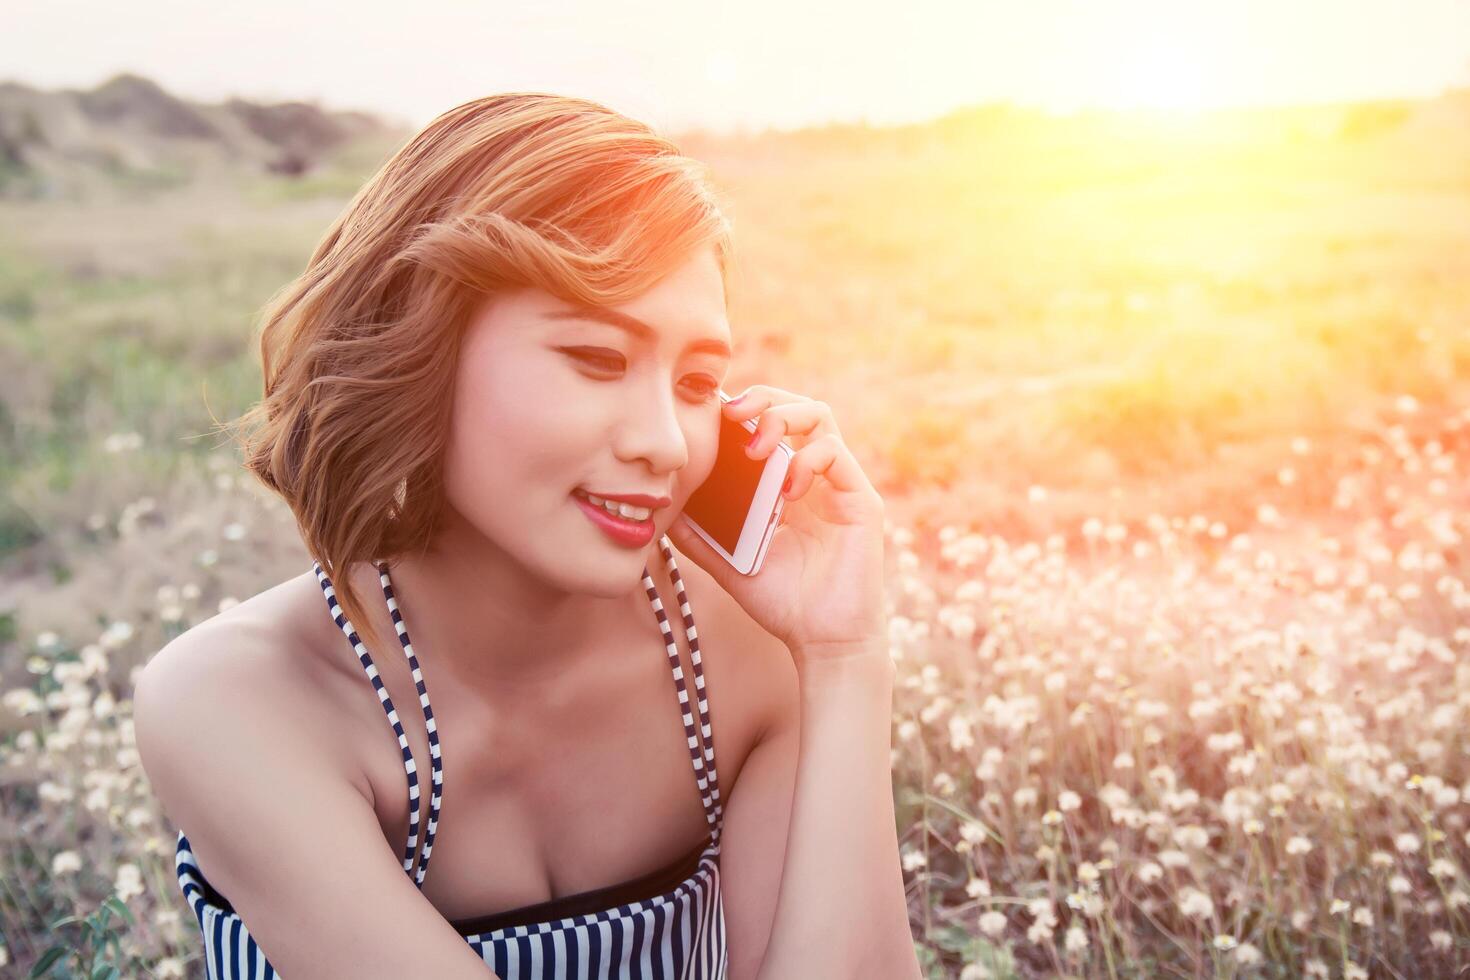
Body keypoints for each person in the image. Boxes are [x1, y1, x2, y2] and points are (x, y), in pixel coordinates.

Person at [132, 92, 919, 979]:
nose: (663, 441)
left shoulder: (740, 663)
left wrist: (847, 656)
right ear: (418, 345)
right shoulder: (238, 701)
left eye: (698, 382)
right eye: (595, 359)